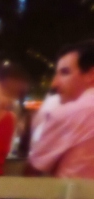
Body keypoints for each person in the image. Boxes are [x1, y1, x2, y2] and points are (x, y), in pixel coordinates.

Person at [27, 40, 94, 180]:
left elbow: (33, 171)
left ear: (90, 74)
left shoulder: (67, 114)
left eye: (64, 73)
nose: (54, 84)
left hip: (72, 193)